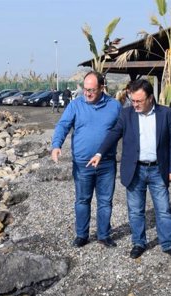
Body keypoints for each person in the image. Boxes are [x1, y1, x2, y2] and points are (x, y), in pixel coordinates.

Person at [93, 79, 171, 259]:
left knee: (164, 209)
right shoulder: (127, 114)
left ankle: (167, 244)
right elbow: (113, 134)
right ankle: (138, 243)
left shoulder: (166, 114)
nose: (135, 104)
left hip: (158, 169)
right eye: (132, 100)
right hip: (135, 170)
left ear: (150, 98)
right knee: (135, 210)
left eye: (139, 101)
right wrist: (100, 153)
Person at [51, 71, 122, 248]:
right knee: (82, 200)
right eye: (85, 89)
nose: (87, 93)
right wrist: (56, 145)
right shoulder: (75, 105)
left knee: (105, 201)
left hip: (106, 164)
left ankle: (104, 235)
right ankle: (82, 235)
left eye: (92, 90)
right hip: (82, 164)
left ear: (102, 88)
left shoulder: (114, 106)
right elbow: (63, 125)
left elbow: (124, 129)